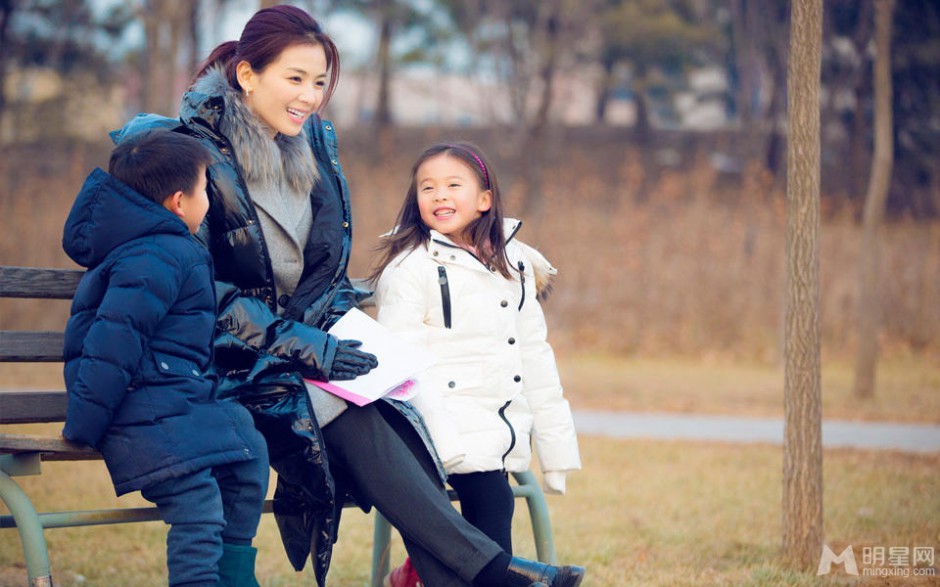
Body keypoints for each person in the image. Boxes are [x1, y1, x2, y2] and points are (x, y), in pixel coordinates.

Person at [110, 5, 586, 587]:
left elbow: (319, 278)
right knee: (350, 407)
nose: (309, 97)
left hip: (298, 357)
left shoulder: (309, 147)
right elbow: (202, 295)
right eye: (295, 79)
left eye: (318, 83)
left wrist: (343, 337)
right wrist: (310, 349)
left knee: (398, 400)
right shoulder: (189, 157)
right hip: (220, 364)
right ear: (247, 75)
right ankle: (493, 574)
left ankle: (475, 575)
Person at [61, 129, 270, 587]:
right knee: (198, 506)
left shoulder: (164, 248)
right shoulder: (158, 254)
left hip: (173, 400)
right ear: (179, 202)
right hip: (140, 410)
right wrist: (84, 423)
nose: (210, 204)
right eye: (204, 191)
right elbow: (113, 343)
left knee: (250, 453)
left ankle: (234, 575)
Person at [370, 142, 582, 586]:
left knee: (493, 500)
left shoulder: (515, 263)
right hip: (429, 426)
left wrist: (556, 451)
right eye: (427, 187)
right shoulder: (410, 268)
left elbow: (535, 355)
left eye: (453, 185)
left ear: (484, 199)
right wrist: (447, 442)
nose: (439, 195)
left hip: (491, 427)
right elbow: (401, 366)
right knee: (467, 501)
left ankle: (411, 577)